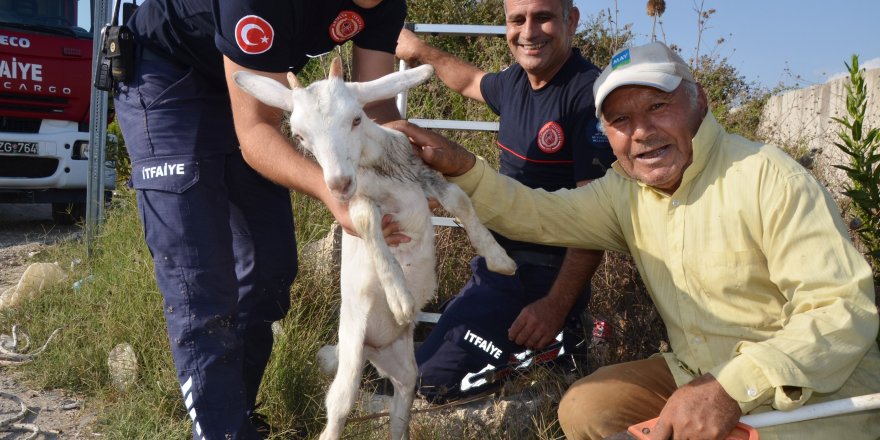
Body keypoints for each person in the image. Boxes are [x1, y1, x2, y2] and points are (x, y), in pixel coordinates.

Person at [388, 41, 880, 439]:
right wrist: (463, 168)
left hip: (811, 389)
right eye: (620, 120)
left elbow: (840, 311)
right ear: (605, 131)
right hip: (696, 371)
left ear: (699, 102)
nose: (641, 132)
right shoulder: (626, 190)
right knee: (586, 407)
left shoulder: (768, 176)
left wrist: (729, 388)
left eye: (658, 106)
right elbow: (537, 214)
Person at [112, 1, 407, 438]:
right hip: (167, 74)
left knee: (269, 267)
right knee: (200, 280)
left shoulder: (385, 5)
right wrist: (333, 194)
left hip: (248, 81)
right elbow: (255, 134)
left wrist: (411, 169)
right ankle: (223, 430)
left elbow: (378, 113)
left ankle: (235, 412)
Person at [394, 0, 615, 402]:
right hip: (497, 271)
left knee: (428, 383)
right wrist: (419, 51)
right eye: (517, 19)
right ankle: (550, 355)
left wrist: (554, 306)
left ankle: (555, 345)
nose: (528, 32)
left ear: (572, 20)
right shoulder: (515, 82)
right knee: (422, 363)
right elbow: (469, 81)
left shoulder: (589, 96)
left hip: (541, 280)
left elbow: (595, 220)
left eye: (543, 17)